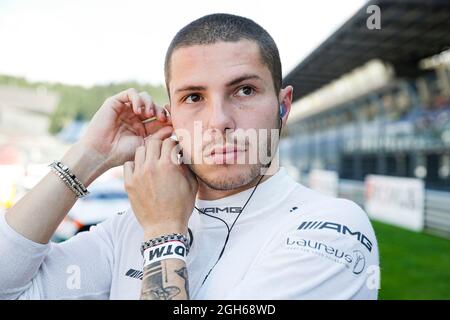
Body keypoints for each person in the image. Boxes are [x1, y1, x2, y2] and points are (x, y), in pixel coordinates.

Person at [0, 13, 379, 300]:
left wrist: (164, 234)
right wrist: (89, 156)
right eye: (194, 98)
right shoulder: (131, 227)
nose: (219, 121)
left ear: (283, 106)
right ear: (170, 116)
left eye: (244, 90)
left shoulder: (333, 228)